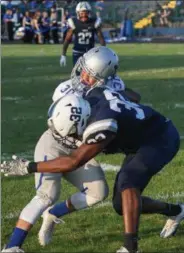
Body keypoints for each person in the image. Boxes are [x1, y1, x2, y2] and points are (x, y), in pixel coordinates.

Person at [2, 47, 184, 253]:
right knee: (116, 203)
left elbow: (74, 160)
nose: (83, 76)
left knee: (124, 184)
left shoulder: (102, 123)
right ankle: (12, 247)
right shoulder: (90, 94)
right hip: (64, 144)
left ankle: (130, 248)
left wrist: (28, 167)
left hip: (156, 140)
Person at [60, 1, 106, 67]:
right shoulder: (74, 22)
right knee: (78, 74)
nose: (84, 15)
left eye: (85, 13)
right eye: (81, 13)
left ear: (89, 13)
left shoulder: (94, 22)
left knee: (91, 74)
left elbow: (101, 38)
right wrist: (63, 54)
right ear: (78, 13)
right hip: (77, 53)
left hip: (91, 53)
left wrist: (104, 52)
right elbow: (67, 39)